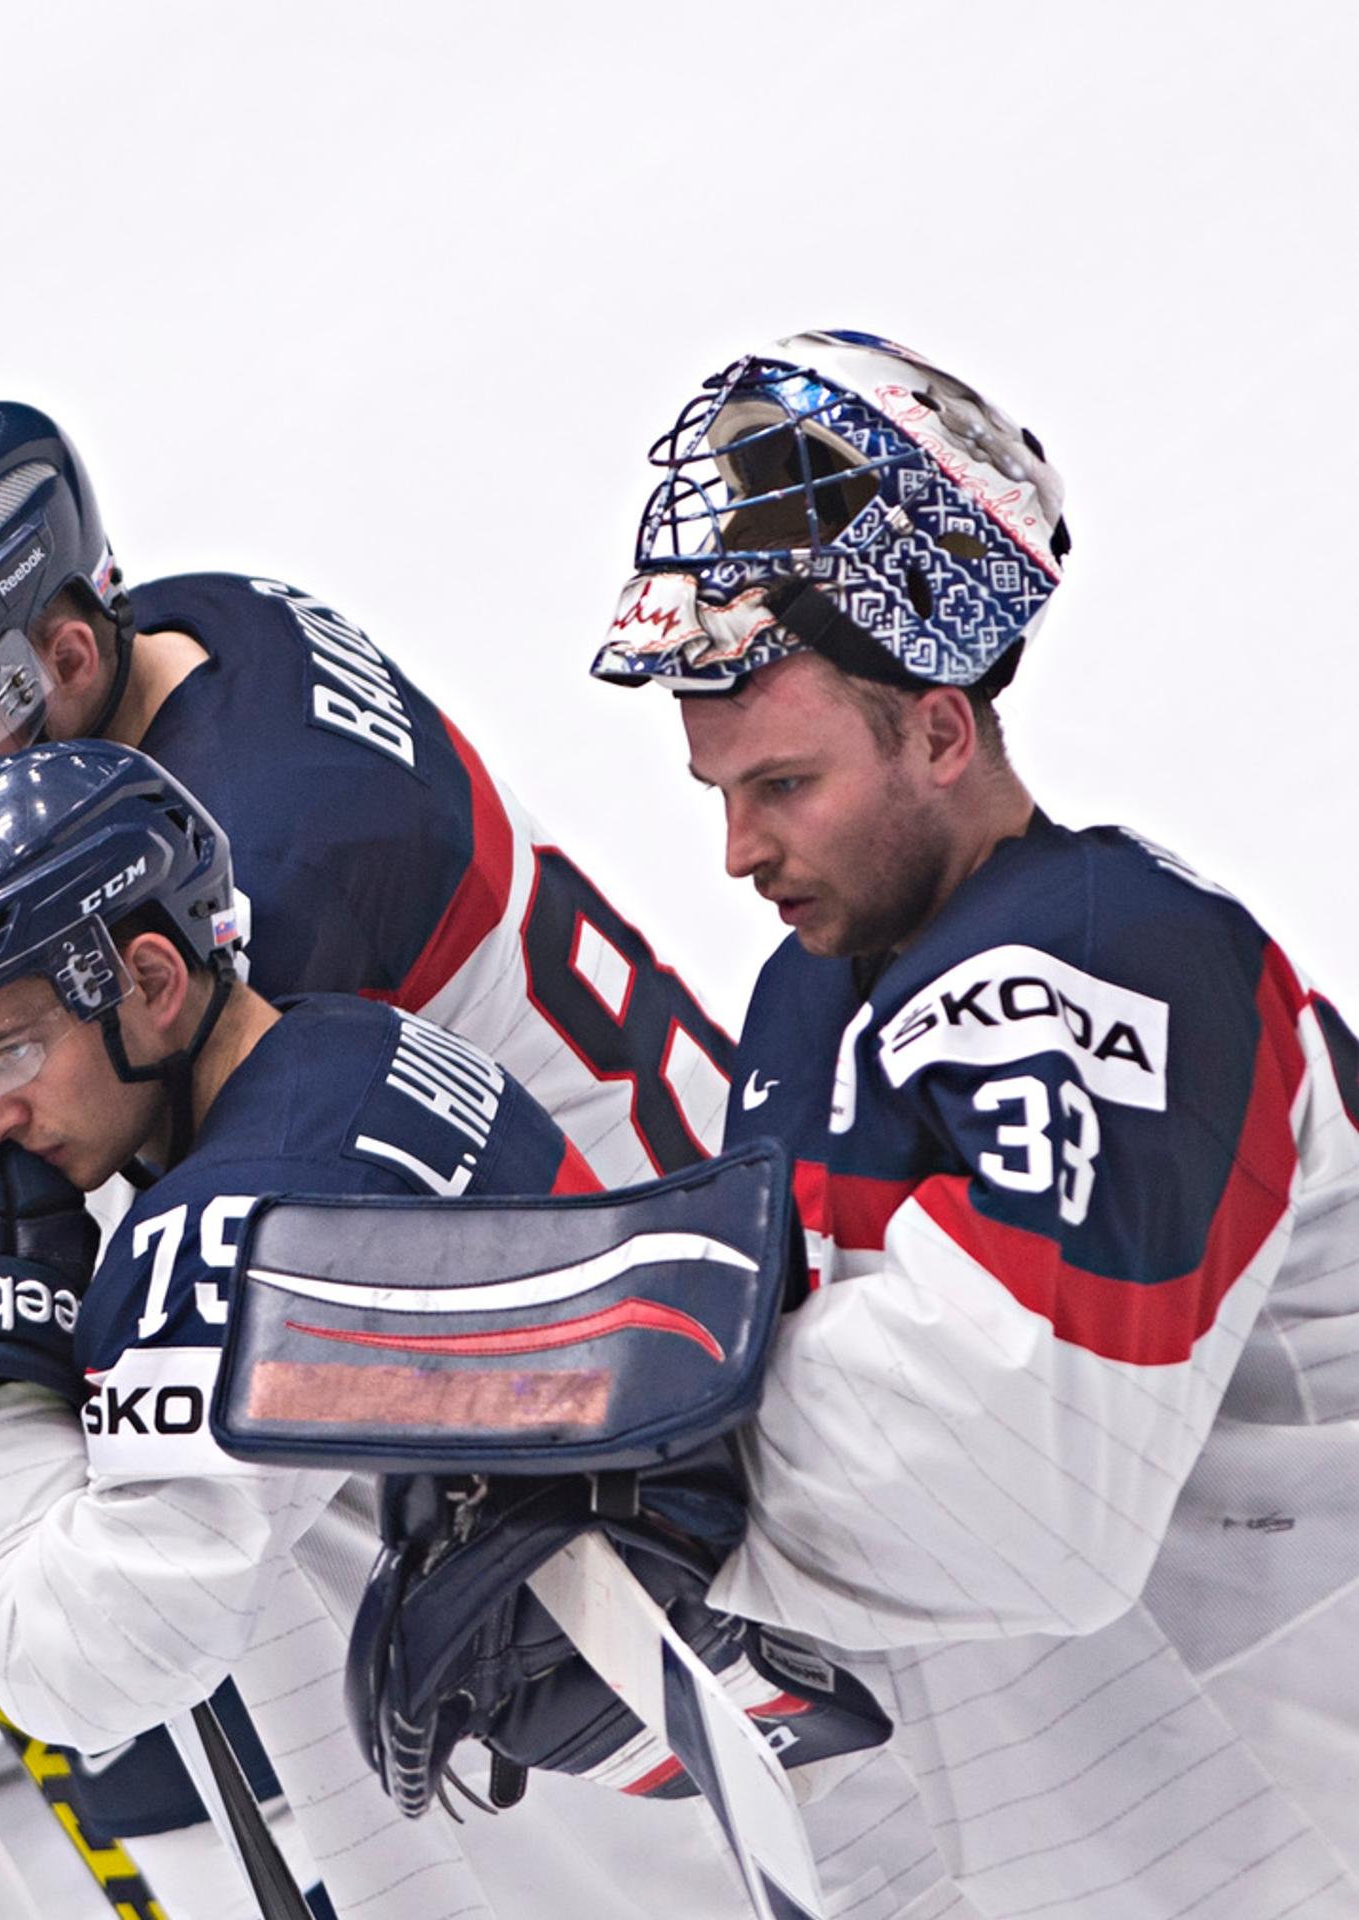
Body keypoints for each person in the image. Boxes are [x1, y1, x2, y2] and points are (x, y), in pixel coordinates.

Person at [589, 328, 1359, 1916]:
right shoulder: (818, 995)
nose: (738, 850)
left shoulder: (1116, 956)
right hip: (1138, 1826)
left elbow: (1027, 1493)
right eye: (716, 793)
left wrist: (635, 1480)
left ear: (942, 727)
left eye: (784, 784)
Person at [0, 737, 842, 1916]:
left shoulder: (250, 1231)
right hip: (686, 1771)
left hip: (621, 1835)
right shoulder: (331, 1050)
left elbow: (80, 1663)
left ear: (150, 980)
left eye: (8, 1050)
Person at [0, 390, 736, 1192]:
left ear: (63, 659)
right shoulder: (186, 621)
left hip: (638, 1271)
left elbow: (98, 1237)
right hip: (644, 1161)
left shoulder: (258, 872)